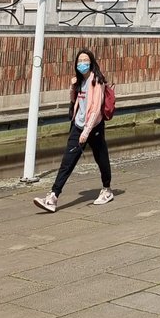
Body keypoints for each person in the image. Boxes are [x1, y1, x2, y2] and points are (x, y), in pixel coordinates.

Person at [34, 47, 113, 212]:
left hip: (94, 126)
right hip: (78, 124)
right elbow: (75, 101)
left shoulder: (96, 81)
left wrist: (87, 131)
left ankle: (107, 189)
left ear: (91, 63)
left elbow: (96, 108)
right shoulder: (80, 81)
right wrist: (72, 88)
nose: (82, 63)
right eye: (80, 61)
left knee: (101, 158)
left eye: (85, 60)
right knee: (67, 162)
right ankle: (53, 197)